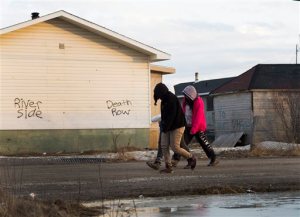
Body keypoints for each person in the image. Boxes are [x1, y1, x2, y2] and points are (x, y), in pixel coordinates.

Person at [152, 83, 196, 173]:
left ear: (161, 92)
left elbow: (172, 116)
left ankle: (191, 157)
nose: (158, 97)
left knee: (175, 147)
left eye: (158, 94)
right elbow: (164, 115)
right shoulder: (164, 100)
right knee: (164, 145)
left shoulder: (171, 98)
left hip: (178, 125)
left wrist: (165, 127)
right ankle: (169, 167)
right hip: (168, 125)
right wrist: (163, 125)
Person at [173, 85, 219, 168]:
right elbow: (183, 113)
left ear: (191, 96)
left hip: (198, 127)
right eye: (184, 95)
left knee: (205, 144)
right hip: (188, 126)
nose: (185, 97)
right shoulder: (185, 101)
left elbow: (198, 117)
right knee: (181, 144)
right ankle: (177, 160)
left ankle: (213, 158)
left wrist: (194, 129)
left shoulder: (198, 102)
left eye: (186, 95)